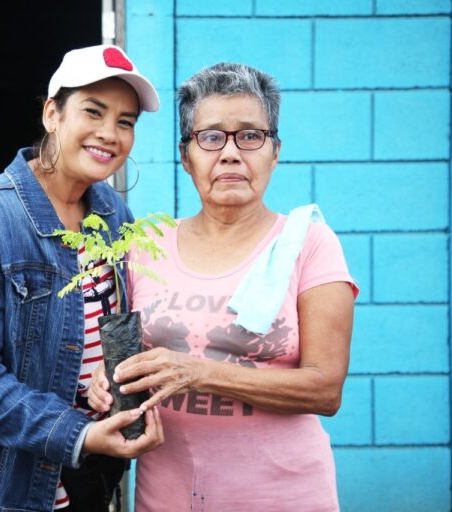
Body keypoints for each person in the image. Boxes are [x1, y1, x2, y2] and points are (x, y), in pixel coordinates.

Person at [0, 44, 165, 512]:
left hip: (74, 476)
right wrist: (78, 433)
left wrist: (99, 380)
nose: (110, 134)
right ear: (51, 114)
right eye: (93, 112)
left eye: (125, 122)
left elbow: (88, 331)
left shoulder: (113, 214)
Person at [89, 63, 358, 511]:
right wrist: (106, 382)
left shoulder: (308, 243)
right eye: (211, 137)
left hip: (285, 496)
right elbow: (129, 358)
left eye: (250, 136)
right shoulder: (146, 245)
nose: (231, 153)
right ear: (185, 155)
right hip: (168, 496)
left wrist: (200, 373)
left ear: (275, 151)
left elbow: (325, 389)